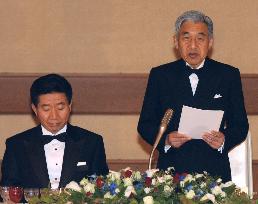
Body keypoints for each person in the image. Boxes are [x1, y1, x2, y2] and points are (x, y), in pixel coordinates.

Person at [137, 10, 249, 181]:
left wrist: (224, 140)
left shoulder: (228, 75)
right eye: (186, 38)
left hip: (214, 172)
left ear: (210, 42)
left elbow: (240, 125)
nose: (193, 45)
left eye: (200, 38)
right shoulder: (161, 75)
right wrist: (166, 140)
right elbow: (145, 124)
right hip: (171, 173)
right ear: (176, 41)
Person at [1, 74, 109, 189]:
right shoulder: (16, 145)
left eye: (60, 108)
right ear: (34, 109)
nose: (54, 116)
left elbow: (101, 190)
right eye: (46, 109)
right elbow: (8, 191)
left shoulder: (92, 142)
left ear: (70, 106)